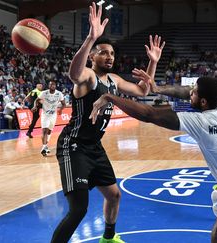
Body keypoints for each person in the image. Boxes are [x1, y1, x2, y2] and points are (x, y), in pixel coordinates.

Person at [90, 74, 217, 243]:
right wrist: (158, 88)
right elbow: (188, 91)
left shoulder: (200, 121)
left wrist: (111, 97)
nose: (191, 95)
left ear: (203, 102)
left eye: (194, 93)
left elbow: (149, 114)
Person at [51, 2, 165, 243]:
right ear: (93, 55)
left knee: (114, 195)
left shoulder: (113, 79)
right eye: (104, 52)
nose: (109, 56)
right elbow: (74, 74)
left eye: (112, 53)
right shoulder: (89, 77)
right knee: (79, 209)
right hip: (74, 147)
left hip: (94, 147)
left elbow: (142, 91)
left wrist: (153, 62)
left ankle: (108, 238)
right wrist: (91, 38)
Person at [32, 80, 65, 156]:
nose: (52, 86)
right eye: (51, 85)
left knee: (49, 131)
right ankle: (44, 147)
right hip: (45, 115)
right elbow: (36, 100)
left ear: (55, 86)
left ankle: (45, 145)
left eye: (53, 85)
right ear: (48, 86)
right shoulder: (44, 93)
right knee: (44, 131)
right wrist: (34, 106)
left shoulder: (59, 94)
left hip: (53, 115)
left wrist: (61, 109)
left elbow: (64, 104)